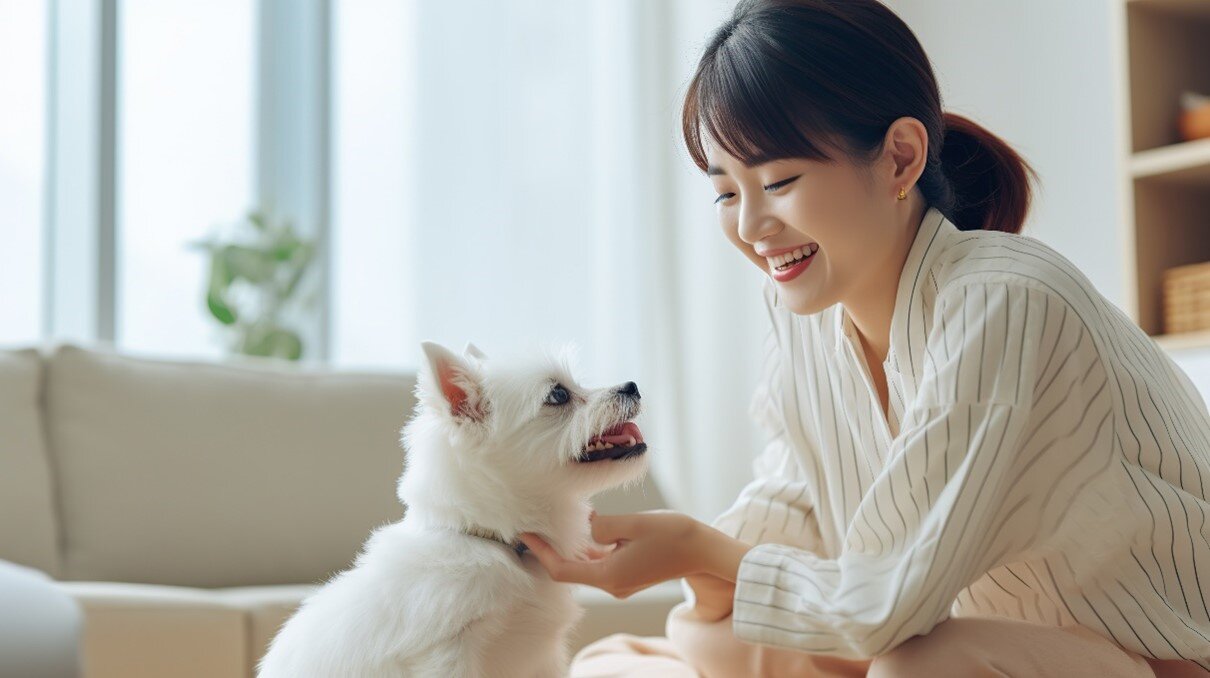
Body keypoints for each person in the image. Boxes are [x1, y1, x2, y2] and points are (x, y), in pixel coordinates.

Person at [518, 0, 1210, 675]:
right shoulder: (806, 317)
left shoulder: (1002, 300)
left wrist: (699, 547)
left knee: (922, 663)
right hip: (956, 634)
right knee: (638, 655)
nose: (753, 228)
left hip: (1155, 658)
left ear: (901, 159)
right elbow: (795, 504)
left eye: (779, 180)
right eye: (726, 193)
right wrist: (697, 562)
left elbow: (885, 604)